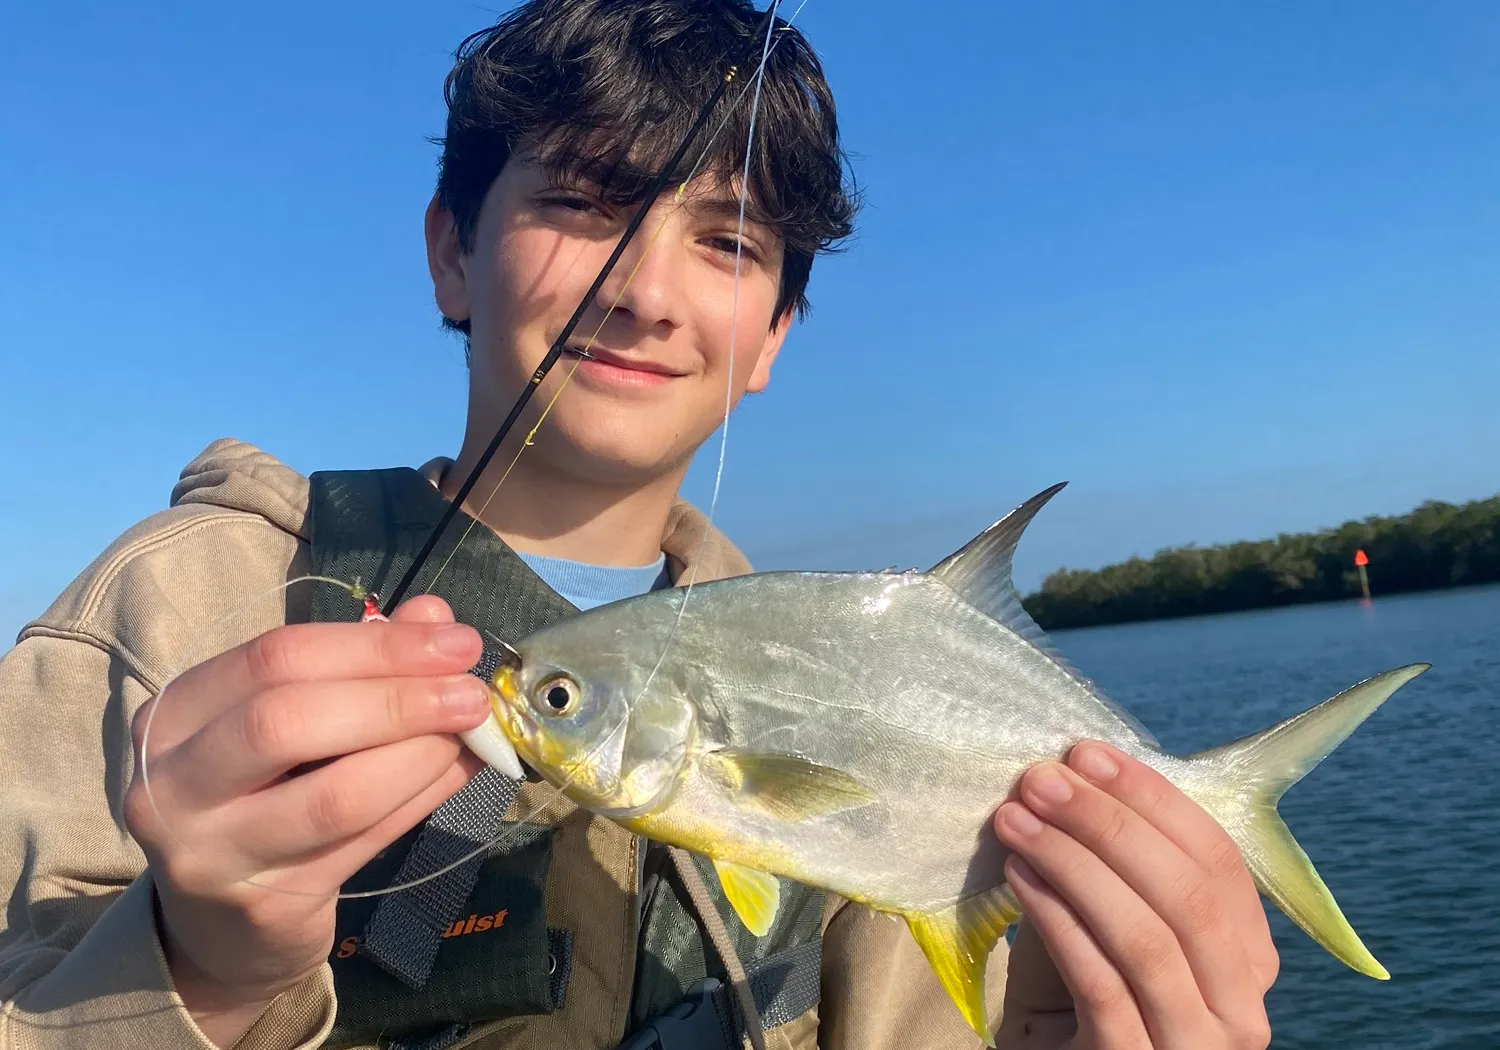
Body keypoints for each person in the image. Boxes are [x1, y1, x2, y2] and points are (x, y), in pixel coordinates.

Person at [0, 1, 1279, 1048]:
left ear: (775, 334)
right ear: (452, 250)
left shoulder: (844, 669)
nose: (645, 291)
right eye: (581, 204)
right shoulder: (189, 603)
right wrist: (195, 970)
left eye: (727, 242)